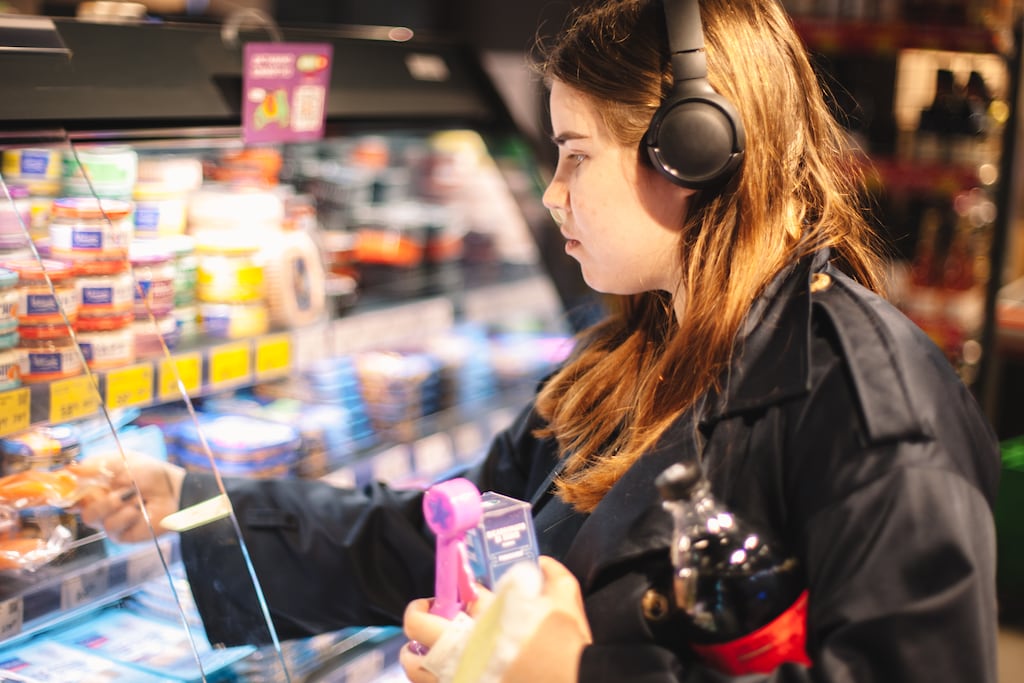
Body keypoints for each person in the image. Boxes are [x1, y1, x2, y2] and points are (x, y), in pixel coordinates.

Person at [78, 0, 1002, 681]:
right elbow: (437, 537)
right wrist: (195, 506)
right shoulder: (630, 357)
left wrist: (570, 674)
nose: (553, 194)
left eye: (576, 154)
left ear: (692, 151)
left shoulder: (872, 407)